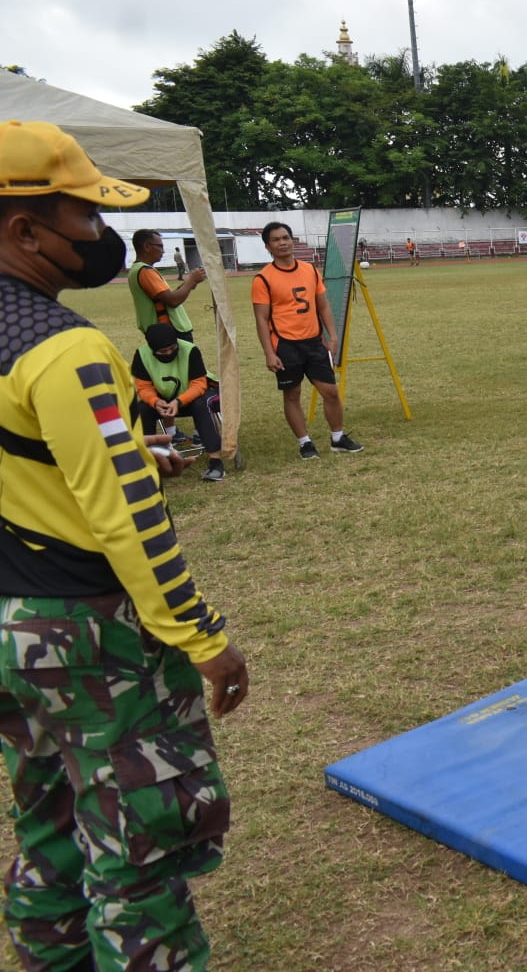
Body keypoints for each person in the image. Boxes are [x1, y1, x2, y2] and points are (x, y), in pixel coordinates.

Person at [0, 119, 249, 969]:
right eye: (85, 218)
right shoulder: (67, 349)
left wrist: (129, 449)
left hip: (10, 629)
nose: (100, 237)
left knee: (49, 822)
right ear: (22, 231)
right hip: (88, 636)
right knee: (138, 857)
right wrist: (203, 637)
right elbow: (128, 521)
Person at [251, 222, 364, 460]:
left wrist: (332, 336)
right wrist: (269, 353)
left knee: (330, 392)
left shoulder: (310, 270)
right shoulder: (263, 278)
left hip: (314, 342)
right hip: (285, 345)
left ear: (292, 240)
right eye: (276, 240)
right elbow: (261, 320)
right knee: (292, 394)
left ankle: (338, 438)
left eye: (285, 237)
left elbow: (323, 305)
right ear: (268, 246)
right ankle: (305, 443)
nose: (282, 243)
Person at [132, 323, 227, 482]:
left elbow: (199, 384)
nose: (169, 353)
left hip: (198, 395)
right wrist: (155, 402)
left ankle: (216, 463)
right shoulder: (142, 355)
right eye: (163, 352)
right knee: (143, 409)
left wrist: (179, 401)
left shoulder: (190, 350)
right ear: (152, 349)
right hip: (166, 399)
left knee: (200, 405)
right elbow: (143, 387)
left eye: (172, 348)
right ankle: (149, 463)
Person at [129, 228, 204, 342]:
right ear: (147, 247)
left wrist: (187, 284)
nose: (163, 251)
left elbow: (165, 298)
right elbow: (172, 301)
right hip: (168, 332)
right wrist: (191, 281)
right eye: (160, 246)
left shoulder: (139, 269)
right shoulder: (145, 271)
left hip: (162, 331)